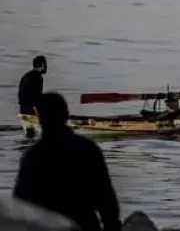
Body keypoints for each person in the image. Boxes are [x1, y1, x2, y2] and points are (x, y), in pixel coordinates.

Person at [14, 92, 121, 231]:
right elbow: (105, 196)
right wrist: (112, 226)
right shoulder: (88, 149)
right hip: (84, 225)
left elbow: (20, 204)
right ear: (66, 115)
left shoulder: (32, 157)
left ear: (40, 118)